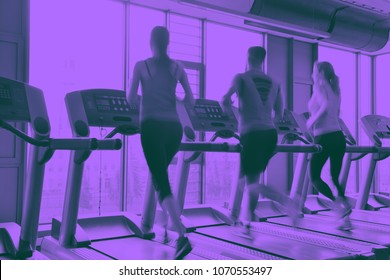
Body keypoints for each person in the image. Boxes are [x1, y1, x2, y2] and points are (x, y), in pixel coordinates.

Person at [127, 26, 195, 259]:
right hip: (174, 130)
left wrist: (146, 101)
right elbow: (190, 100)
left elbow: (130, 99)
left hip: (152, 128)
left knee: (162, 181)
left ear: (150, 42)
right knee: (159, 179)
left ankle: (182, 236)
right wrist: (173, 97)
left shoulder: (141, 66)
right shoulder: (177, 68)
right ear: (168, 43)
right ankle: (166, 226)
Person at [222, 46, 299, 238]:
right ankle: (246, 224)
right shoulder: (275, 82)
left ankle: (287, 202)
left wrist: (234, 119)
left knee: (249, 183)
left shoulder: (241, 78)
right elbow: (280, 113)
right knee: (248, 181)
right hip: (270, 135)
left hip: (252, 134)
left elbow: (224, 100)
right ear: (263, 59)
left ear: (248, 57)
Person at [306, 61, 353, 231]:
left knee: (314, 177)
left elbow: (324, 106)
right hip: (338, 137)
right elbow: (335, 113)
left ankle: (337, 207)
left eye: (313, 70)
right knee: (333, 176)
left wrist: (310, 122)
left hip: (324, 137)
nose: (312, 74)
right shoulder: (335, 89)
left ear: (320, 72)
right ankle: (344, 212)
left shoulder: (320, 86)